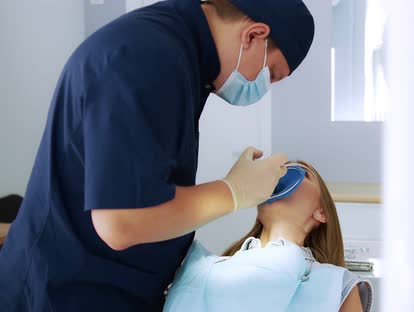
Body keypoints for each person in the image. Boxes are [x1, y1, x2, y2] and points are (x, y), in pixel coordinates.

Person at [0, 0, 315, 311]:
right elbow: (122, 222)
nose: (263, 88)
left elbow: (146, 186)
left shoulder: (181, 55)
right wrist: (231, 192)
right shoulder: (146, 57)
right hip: (64, 292)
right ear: (253, 36)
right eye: (271, 74)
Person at [164, 161, 373, 312]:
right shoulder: (200, 269)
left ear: (321, 213)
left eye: (302, 173)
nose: (281, 175)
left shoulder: (335, 284)